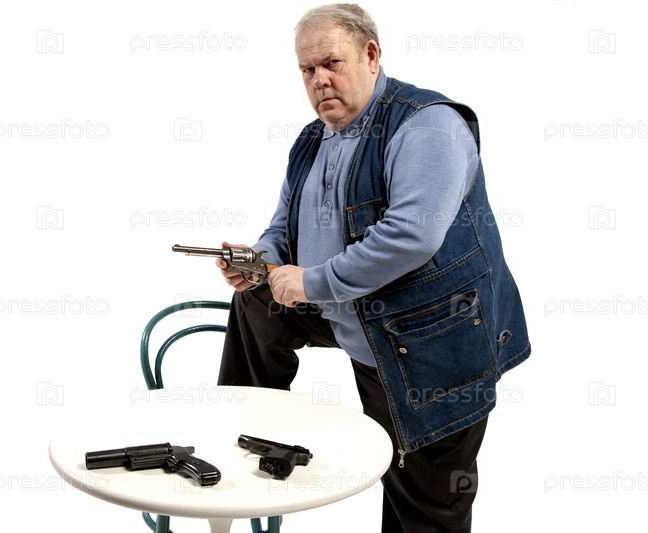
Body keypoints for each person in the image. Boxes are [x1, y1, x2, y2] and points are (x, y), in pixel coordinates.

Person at [214, 3, 531, 532]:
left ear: (371, 55)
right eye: (307, 69)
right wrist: (261, 261)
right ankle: (245, 430)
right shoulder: (312, 139)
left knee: (421, 506)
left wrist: (311, 282)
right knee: (257, 299)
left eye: (331, 63)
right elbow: (283, 228)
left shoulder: (428, 125)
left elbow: (411, 236)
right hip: (361, 315)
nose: (319, 80)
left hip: (430, 342)